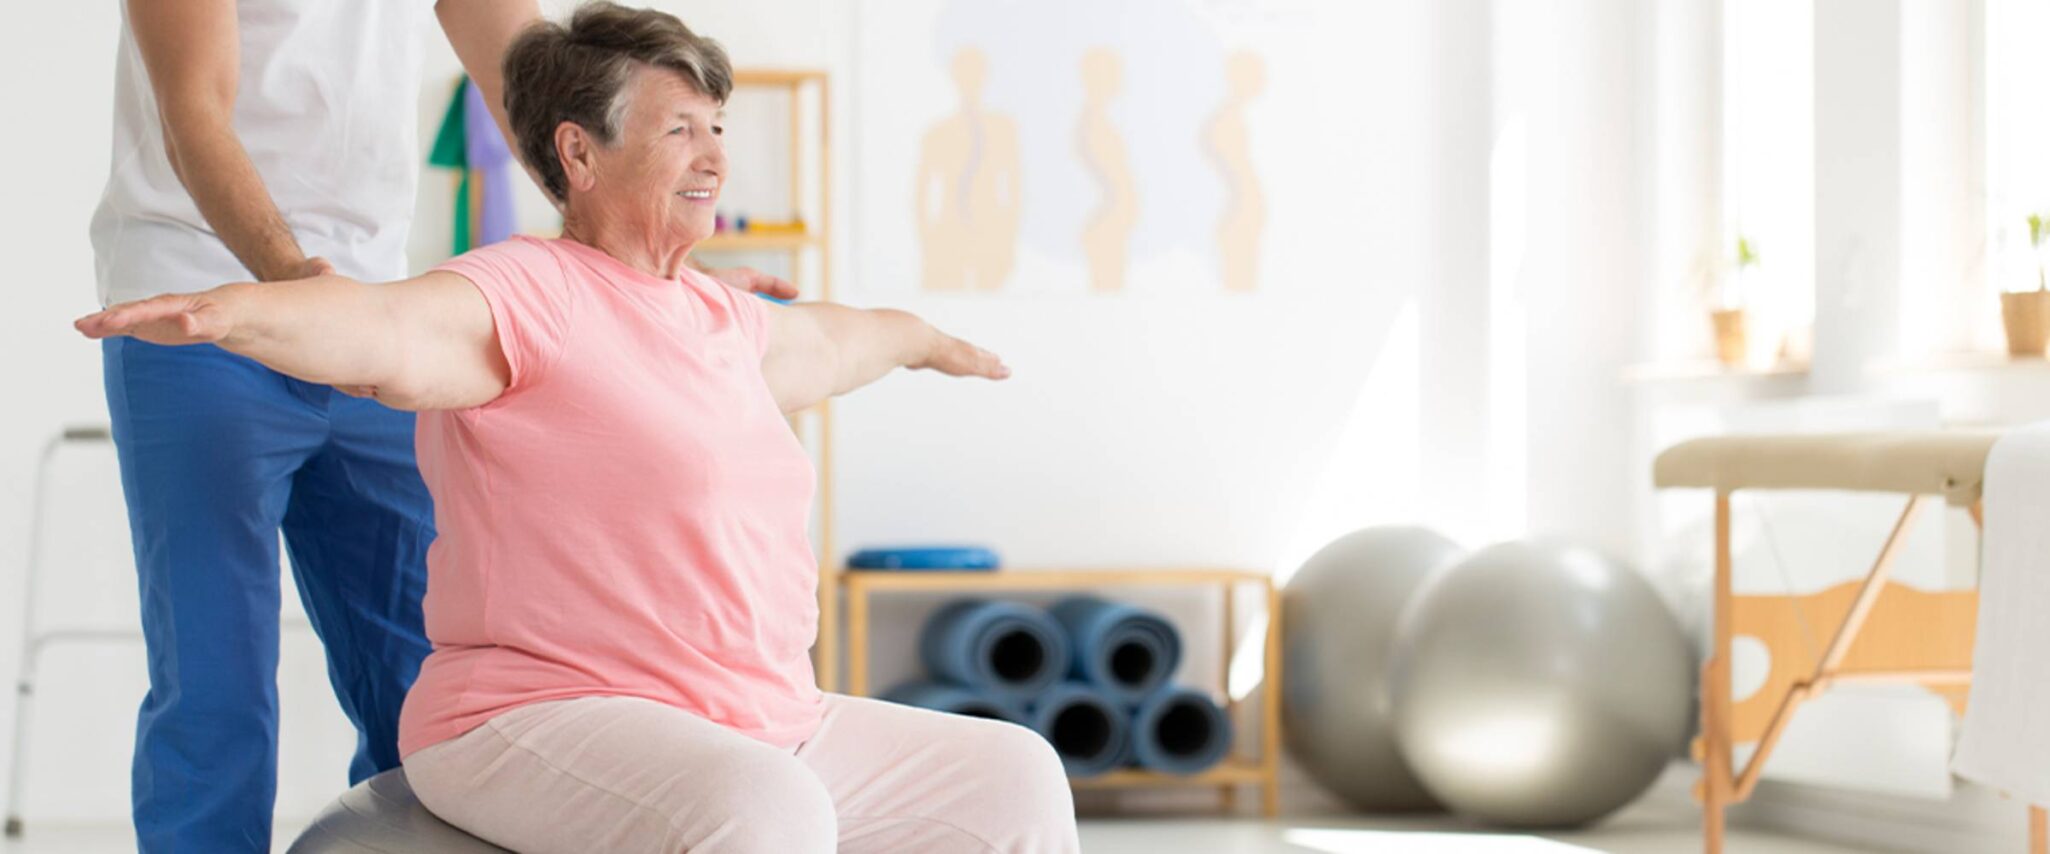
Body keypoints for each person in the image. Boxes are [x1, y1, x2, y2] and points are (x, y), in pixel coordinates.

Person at [79, 5, 1082, 852]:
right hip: (213, 292)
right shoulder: (498, 300)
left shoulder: (682, 310)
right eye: (683, 128)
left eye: (716, 127)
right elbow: (198, 119)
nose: (715, 154)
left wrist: (633, 277)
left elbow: (535, 74)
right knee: (216, 676)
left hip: (360, 285)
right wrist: (258, 297)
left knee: (394, 656)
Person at [92, 1, 790, 849]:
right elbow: (192, 111)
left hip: (375, 314)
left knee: (422, 675)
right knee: (213, 681)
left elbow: (539, 92)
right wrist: (294, 285)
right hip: (202, 307)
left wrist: (660, 272)